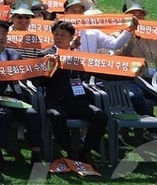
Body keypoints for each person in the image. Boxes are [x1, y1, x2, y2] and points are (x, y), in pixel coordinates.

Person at [39, 20, 107, 168]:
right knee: (57, 117)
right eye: (56, 34)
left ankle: (86, 152)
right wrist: (51, 68)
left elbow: (84, 77)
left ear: (71, 37)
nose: (59, 37)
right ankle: (69, 152)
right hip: (55, 100)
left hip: (76, 100)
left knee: (99, 115)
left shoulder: (76, 57)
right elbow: (40, 81)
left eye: (63, 35)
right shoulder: (45, 55)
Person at [0, 20, 42, 167]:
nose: (1, 37)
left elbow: (25, 74)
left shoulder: (15, 54)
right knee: (4, 114)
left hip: (14, 98)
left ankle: (36, 154)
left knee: (32, 114)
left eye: (4, 34)